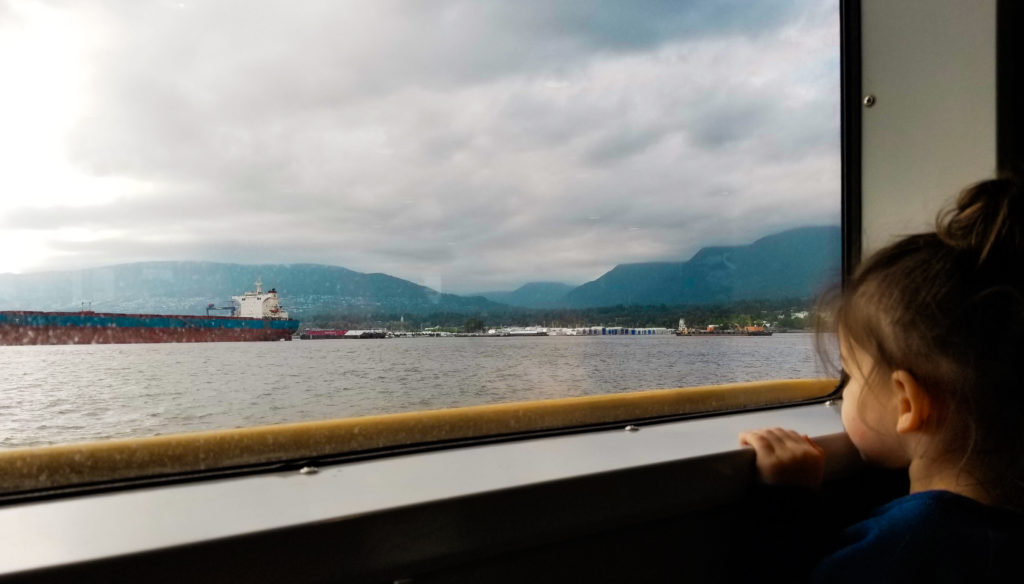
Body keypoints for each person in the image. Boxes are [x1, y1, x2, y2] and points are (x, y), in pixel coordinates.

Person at [740, 176, 1024, 582]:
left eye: (851, 375)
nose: (844, 395)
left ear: (907, 403)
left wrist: (787, 503)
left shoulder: (911, 546)